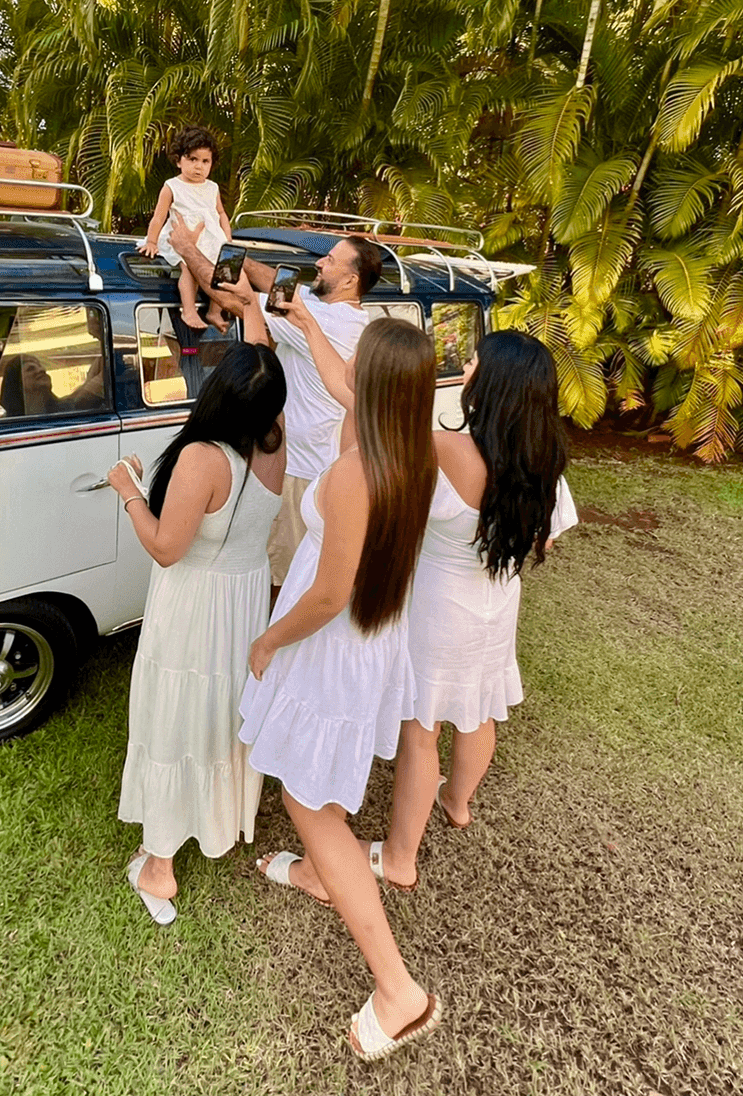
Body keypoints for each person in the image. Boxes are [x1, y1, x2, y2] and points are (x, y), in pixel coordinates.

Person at [239, 319, 444, 1063]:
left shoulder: (357, 470)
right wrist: (279, 314)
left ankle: (399, 990)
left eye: (356, 357)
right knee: (310, 789)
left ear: (376, 382)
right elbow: (332, 379)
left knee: (308, 798)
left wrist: (268, 638)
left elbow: (328, 592)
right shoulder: (412, 451)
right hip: (368, 637)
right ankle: (318, 873)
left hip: (332, 641)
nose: (342, 359)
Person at [376, 330, 578, 891]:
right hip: (496, 610)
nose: (464, 369)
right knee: (481, 709)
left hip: (438, 612)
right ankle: (458, 803)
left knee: (422, 731)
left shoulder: (443, 450)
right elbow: (546, 542)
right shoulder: (547, 464)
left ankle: (399, 856)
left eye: (472, 363)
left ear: (491, 383)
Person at [112, 342, 286, 925]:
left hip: (197, 601)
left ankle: (159, 866)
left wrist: (129, 490)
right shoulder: (274, 441)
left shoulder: (203, 457)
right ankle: (222, 818)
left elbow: (166, 548)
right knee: (220, 708)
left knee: (178, 712)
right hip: (242, 598)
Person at [168, 214, 382, 584]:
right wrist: (223, 244)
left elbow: (231, 296)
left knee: (279, 576)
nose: (318, 261)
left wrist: (188, 248)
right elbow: (276, 284)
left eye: (330, 260)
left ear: (350, 280)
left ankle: (271, 641)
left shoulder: (331, 323)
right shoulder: (336, 313)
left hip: (296, 472)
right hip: (294, 462)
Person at [139, 126, 233, 333]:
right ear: (179, 160)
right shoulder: (172, 186)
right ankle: (188, 309)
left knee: (222, 271)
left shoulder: (212, 188)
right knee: (188, 267)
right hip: (182, 239)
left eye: (205, 161)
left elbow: (221, 214)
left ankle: (215, 311)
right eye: (192, 159)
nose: (198, 166)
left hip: (211, 239)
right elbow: (159, 216)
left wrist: (228, 238)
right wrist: (152, 241)